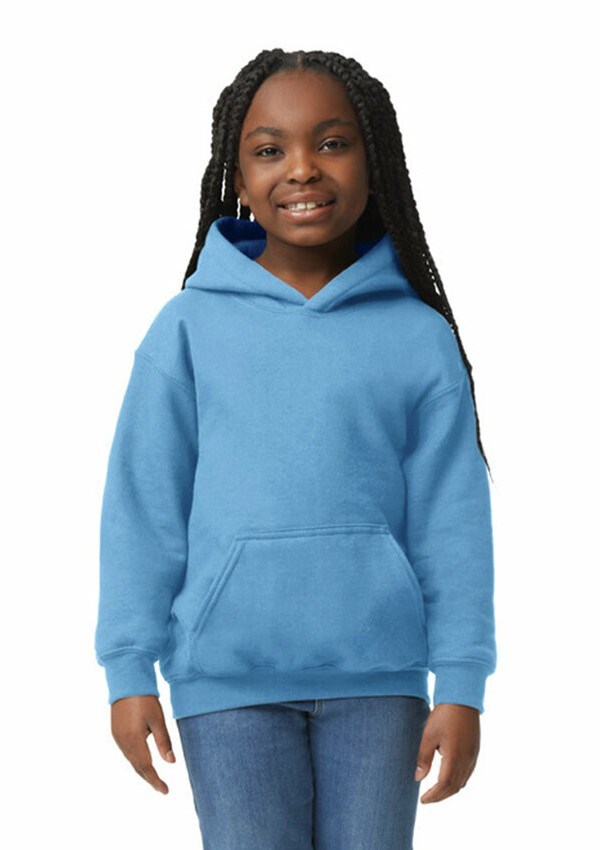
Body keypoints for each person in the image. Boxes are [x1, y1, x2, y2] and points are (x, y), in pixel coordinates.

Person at [94, 48, 497, 850]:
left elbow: (453, 523)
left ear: (375, 164)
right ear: (238, 177)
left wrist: (461, 682)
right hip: (226, 684)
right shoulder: (187, 330)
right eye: (270, 149)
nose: (303, 168)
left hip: (380, 682)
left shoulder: (419, 338)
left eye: (333, 143)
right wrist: (128, 667)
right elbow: (143, 505)